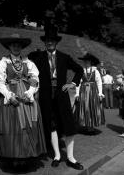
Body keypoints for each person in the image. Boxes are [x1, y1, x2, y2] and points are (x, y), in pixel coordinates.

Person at [28, 25, 84, 170]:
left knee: (69, 125)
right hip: (45, 96)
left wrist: (72, 83)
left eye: (52, 40)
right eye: (47, 40)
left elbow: (79, 69)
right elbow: (26, 65)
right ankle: (57, 155)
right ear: (44, 42)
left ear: (56, 42)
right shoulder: (38, 57)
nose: (49, 42)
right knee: (51, 126)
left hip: (61, 95)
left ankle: (71, 158)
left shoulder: (64, 57)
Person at [0, 33, 46, 169]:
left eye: (18, 45)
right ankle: (14, 156)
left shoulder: (28, 62)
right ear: (9, 46)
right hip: (11, 97)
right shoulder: (3, 63)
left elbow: (35, 79)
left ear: (21, 47)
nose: (16, 47)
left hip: (26, 98)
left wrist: (29, 93)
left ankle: (26, 155)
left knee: (28, 127)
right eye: (13, 45)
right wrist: (9, 95)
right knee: (13, 126)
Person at [74, 53, 105, 132]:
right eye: (85, 61)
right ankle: (86, 125)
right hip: (83, 92)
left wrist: (100, 93)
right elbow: (78, 83)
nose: (86, 63)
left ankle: (91, 126)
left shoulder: (95, 71)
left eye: (87, 61)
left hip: (93, 92)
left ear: (91, 62)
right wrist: (77, 93)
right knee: (85, 108)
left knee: (92, 107)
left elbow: (99, 82)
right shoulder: (81, 71)